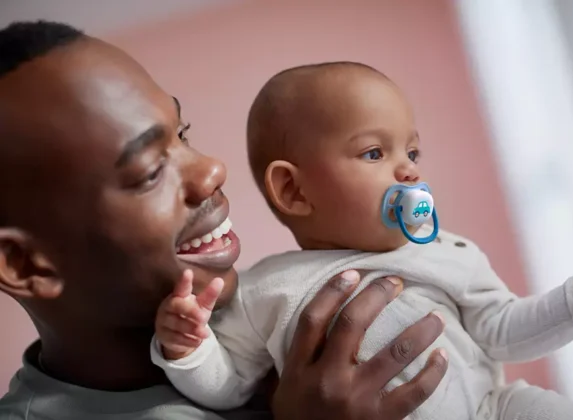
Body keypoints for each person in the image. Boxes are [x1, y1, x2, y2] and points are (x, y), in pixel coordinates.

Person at [0, 22, 449, 420]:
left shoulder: (279, 327)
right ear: (23, 264)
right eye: (150, 171)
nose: (212, 169)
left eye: (183, 134)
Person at [152, 63, 573, 419]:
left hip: (495, 410)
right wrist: (190, 349)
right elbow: (227, 386)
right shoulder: (265, 291)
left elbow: (505, 330)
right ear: (294, 191)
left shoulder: (444, 251)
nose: (409, 169)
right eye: (375, 152)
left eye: (413, 150)